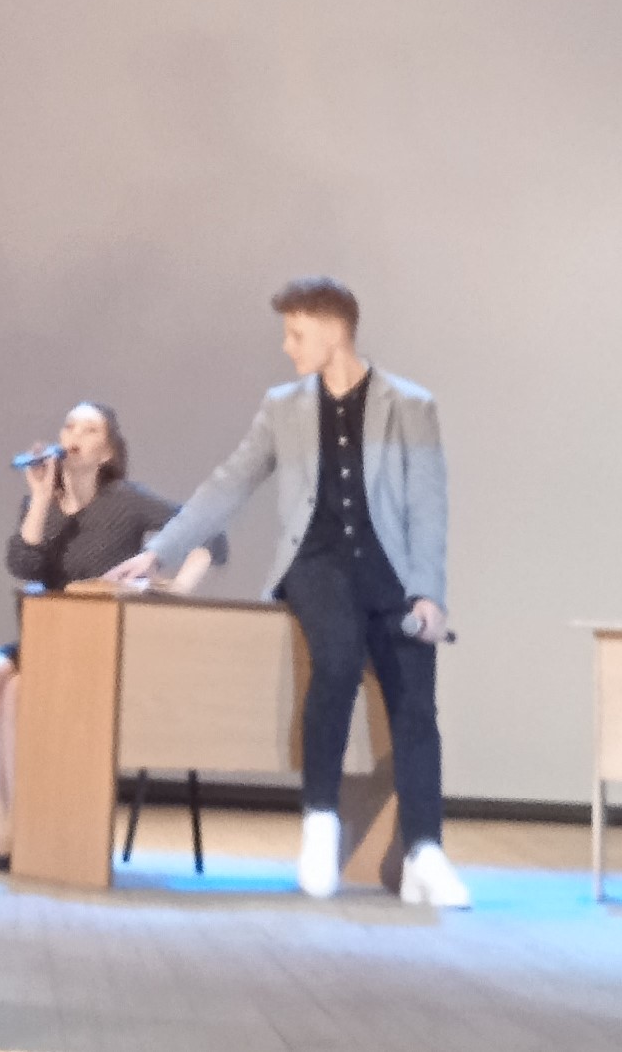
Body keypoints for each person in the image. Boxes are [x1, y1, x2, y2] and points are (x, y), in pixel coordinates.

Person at [106, 280, 469, 908]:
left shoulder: (410, 405)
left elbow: (428, 506)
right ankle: (319, 824)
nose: (287, 346)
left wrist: (428, 592)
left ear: (333, 331)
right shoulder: (283, 408)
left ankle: (424, 851)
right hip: (316, 564)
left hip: (391, 571)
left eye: (296, 334)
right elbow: (230, 483)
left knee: (416, 700)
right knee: (337, 659)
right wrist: (161, 550)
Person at [0, 400, 220, 872]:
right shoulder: (41, 501)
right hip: (43, 638)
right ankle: (6, 821)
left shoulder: (126, 501)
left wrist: (177, 587)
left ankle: (30, 825)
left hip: (96, 649)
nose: (74, 436)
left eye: (89, 429)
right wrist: (40, 497)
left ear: (107, 452)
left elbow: (209, 534)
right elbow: (23, 566)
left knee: (20, 690)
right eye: (69, 426)